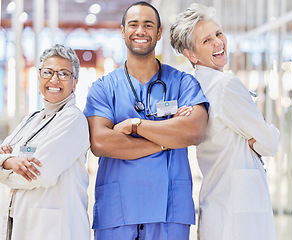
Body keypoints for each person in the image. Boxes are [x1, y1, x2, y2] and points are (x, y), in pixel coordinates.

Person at [83, 1, 209, 239]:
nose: (140, 31)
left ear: (159, 32)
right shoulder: (103, 88)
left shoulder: (183, 83)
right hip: (117, 211)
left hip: (169, 211)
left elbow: (194, 131)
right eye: (133, 24)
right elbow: (100, 142)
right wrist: (167, 139)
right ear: (123, 31)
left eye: (148, 25)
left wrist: (135, 125)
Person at [170, 3, 280, 240]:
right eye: (206, 41)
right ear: (191, 55)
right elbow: (269, 144)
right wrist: (262, 130)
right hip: (239, 218)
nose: (218, 42)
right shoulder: (225, 85)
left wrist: (255, 136)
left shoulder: (197, 87)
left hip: (218, 206)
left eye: (218, 33)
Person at [0, 44, 91, 240]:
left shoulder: (72, 119)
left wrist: (5, 163)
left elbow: (40, 174)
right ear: (39, 77)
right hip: (23, 223)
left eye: (64, 74)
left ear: (75, 82)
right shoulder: (31, 119)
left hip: (55, 229)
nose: (54, 79)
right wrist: (10, 162)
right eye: (48, 72)